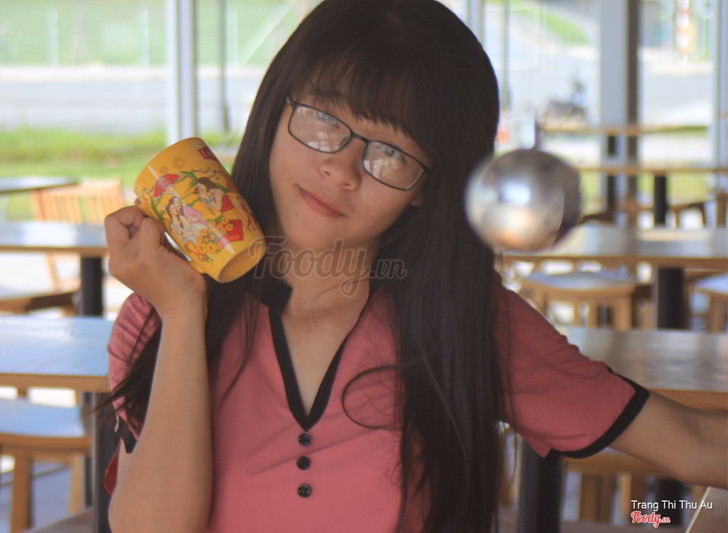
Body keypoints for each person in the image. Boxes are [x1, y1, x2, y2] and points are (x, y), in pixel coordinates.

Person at [102, 1, 727, 531]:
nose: (341, 168)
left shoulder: (461, 322)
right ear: (274, 110)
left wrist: (673, 517)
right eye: (322, 119)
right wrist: (181, 312)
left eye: (391, 152)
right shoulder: (162, 316)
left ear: (428, 185)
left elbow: (695, 446)